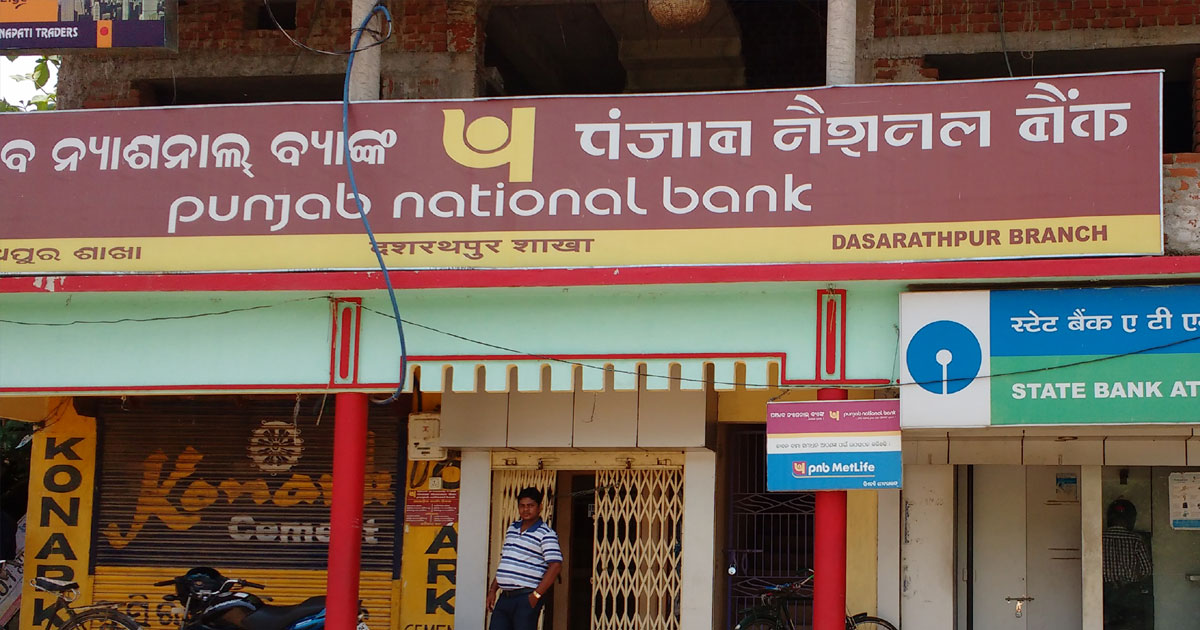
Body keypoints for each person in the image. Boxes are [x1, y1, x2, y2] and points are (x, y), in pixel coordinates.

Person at [486, 487, 562, 630]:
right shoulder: (512, 528)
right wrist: (492, 590)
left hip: (525, 598)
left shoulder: (546, 533)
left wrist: (536, 596)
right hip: (505, 597)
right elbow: (506, 562)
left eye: (530, 505)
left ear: (540, 507)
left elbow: (555, 565)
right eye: (522, 506)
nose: (526, 509)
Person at [1102, 499, 1152, 630]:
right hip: (1130, 593)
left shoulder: (1099, 538)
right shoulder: (1136, 539)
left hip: (1105, 591)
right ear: (1130, 519)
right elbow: (1146, 570)